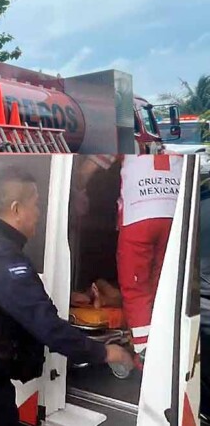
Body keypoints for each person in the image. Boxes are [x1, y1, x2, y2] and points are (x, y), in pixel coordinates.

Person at [0, 164, 133, 426]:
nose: (39, 214)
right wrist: (106, 353)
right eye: (37, 205)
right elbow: (48, 326)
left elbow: (1, 302)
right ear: (16, 209)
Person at [75, 154, 183, 368]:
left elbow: (89, 169)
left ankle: (145, 358)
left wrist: (76, 189)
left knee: (136, 288)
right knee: (162, 287)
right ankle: (164, 349)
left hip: (138, 215)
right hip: (175, 215)